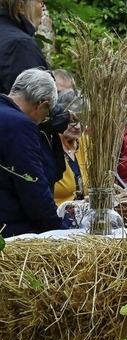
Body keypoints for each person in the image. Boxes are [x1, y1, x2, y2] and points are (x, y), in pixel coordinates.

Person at [0, 68, 67, 237]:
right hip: (11, 233)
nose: (44, 121)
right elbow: (32, 187)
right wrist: (62, 231)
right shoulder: (20, 125)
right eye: (47, 114)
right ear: (42, 105)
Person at [0, 0, 47, 94]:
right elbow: (37, 102)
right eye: (40, 2)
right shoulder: (20, 45)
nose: (44, 8)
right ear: (20, 6)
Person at [54, 90, 86, 205]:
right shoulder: (50, 145)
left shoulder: (86, 144)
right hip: (58, 217)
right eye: (72, 121)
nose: (77, 127)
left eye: (81, 120)